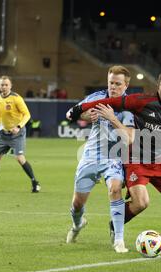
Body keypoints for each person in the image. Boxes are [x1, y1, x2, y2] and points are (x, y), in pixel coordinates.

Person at [68, 69, 161, 249]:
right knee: (141, 203)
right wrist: (80, 108)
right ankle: (115, 224)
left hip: (159, 158)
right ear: (158, 87)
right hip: (135, 159)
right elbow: (111, 101)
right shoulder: (141, 101)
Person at [65, 66, 135, 253]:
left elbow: (128, 139)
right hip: (91, 156)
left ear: (126, 85)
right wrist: (88, 116)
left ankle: (119, 240)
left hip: (114, 157)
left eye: (117, 84)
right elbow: (71, 113)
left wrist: (112, 118)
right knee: (77, 203)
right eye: (111, 82)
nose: (113, 87)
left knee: (114, 189)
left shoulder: (130, 106)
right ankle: (78, 224)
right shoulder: (97, 98)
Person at [0, 75, 41, 193]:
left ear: (10, 86)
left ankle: (35, 182)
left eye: (6, 85)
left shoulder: (16, 98)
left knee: (19, 158)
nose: (4, 87)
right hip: (3, 134)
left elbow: (27, 115)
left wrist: (18, 126)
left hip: (17, 134)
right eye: (2, 85)